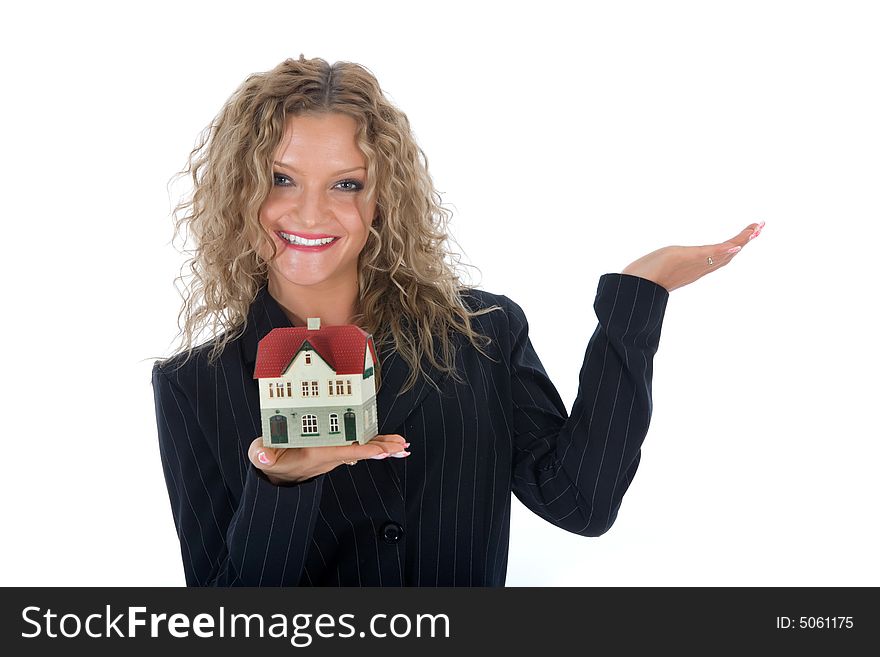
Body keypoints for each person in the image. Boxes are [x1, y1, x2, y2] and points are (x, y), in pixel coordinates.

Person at [151, 55, 763, 587]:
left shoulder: (482, 332)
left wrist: (639, 295)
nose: (311, 212)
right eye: (281, 178)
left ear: (381, 199)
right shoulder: (191, 383)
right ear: (240, 189)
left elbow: (582, 501)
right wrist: (280, 489)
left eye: (346, 183)